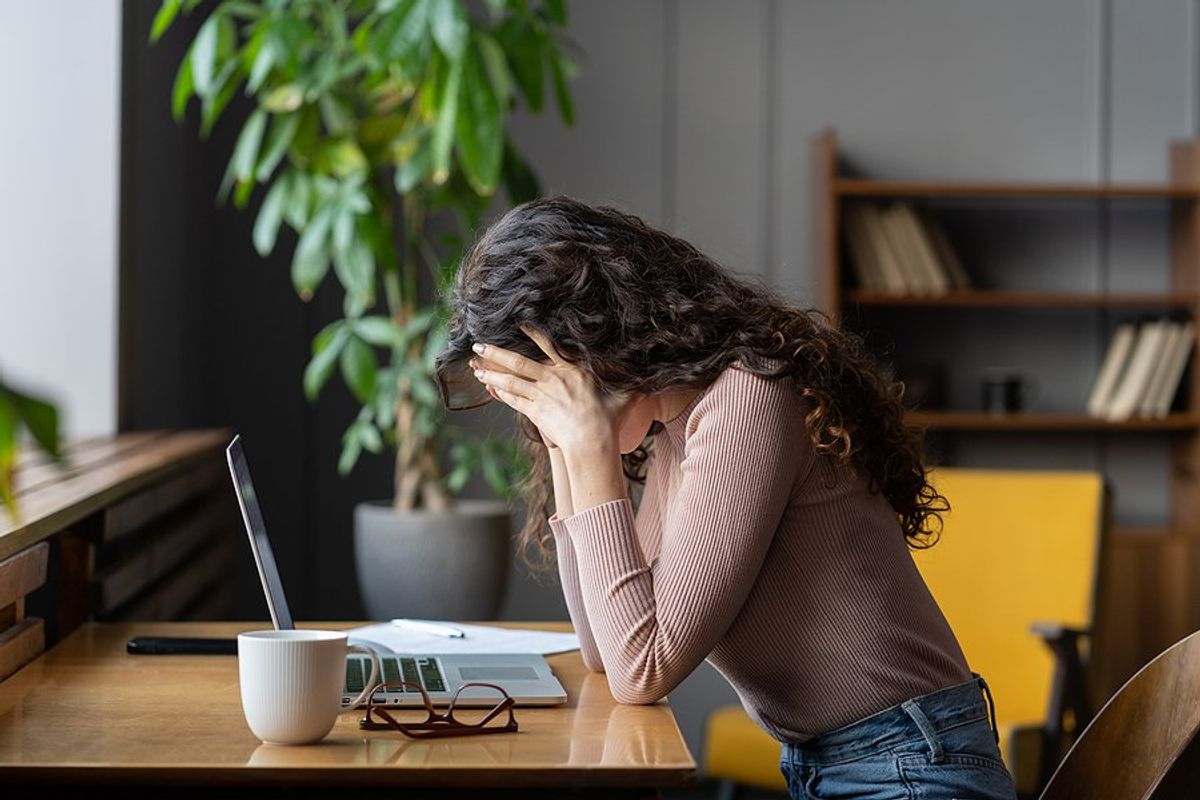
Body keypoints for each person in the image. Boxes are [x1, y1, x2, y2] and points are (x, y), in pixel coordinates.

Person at [434, 196, 1018, 800]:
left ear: (595, 340)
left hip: (912, 768)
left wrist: (588, 445)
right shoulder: (673, 432)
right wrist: (563, 443)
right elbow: (604, 650)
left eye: (546, 387)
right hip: (841, 766)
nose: (543, 407)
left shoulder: (748, 397)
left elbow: (644, 669)